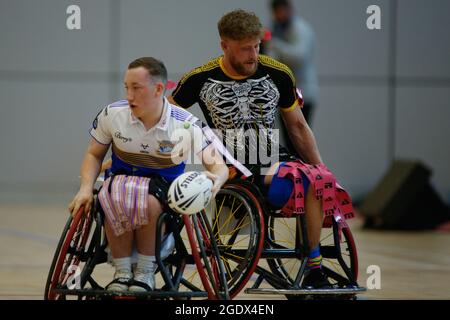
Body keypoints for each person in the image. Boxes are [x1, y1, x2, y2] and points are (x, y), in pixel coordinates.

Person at [168, 9, 335, 289]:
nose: (253, 55)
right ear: (224, 45)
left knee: (314, 178)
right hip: (229, 169)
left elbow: (298, 128)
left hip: (271, 162)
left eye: (256, 46)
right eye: (245, 49)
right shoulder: (199, 78)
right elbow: (168, 117)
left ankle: (314, 266)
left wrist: (321, 168)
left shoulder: (278, 73)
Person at [68, 57, 229, 293]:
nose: (129, 95)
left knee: (149, 201)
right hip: (119, 185)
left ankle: (145, 271)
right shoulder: (112, 115)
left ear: (158, 89)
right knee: (112, 193)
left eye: (136, 88)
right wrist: (85, 188)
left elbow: (219, 167)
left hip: (162, 191)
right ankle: (122, 272)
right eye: (127, 87)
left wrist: (217, 179)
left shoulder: (185, 124)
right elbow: (94, 154)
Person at [268, 0, 319, 128]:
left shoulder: (301, 29)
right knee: (290, 135)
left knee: (300, 132)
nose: (278, 16)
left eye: (280, 12)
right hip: (286, 92)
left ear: (288, 10)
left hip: (302, 92)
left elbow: (299, 57)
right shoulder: (277, 28)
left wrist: (274, 43)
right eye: (276, 13)